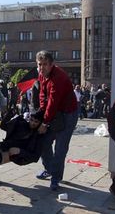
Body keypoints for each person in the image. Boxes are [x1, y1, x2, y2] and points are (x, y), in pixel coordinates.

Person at [34, 50, 78, 191]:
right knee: (44, 142)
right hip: (55, 113)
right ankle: (50, 169)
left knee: (60, 148)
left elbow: (53, 102)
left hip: (68, 114)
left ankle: (55, 178)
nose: (42, 68)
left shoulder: (58, 77)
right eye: (40, 64)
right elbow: (42, 94)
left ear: (52, 64)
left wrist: (45, 123)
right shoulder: (42, 75)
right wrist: (41, 113)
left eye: (45, 64)